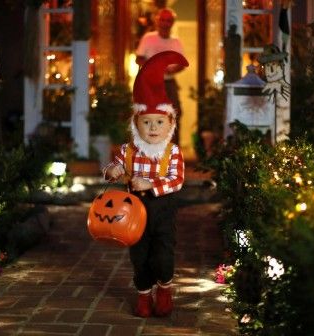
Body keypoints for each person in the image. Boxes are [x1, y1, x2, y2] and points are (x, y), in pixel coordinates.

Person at [103, 51, 189, 318]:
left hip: (162, 209)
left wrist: (151, 185)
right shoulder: (129, 151)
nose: (153, 128)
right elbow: (111, 169)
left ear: (170, 123)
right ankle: (143, 296)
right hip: (135, 211)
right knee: (139, 257)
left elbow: (177, 179)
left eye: (159, 122)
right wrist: (114, 170)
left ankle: (164, 288)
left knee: (162, 255)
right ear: (136, 123)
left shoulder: (172, 152)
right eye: (147, 122)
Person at [135, 8, 185, 144]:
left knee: (175, 113)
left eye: (168, 20)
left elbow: (181, 64)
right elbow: (138, 58)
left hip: (168, 83)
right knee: (146, 114)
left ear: (172, 23)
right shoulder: (148, 38)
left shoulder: (176, 42)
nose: (165, 23)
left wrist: (172, 70)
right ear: (157, 21)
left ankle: (173, 149)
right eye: (162, 20)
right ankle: (145, 148)